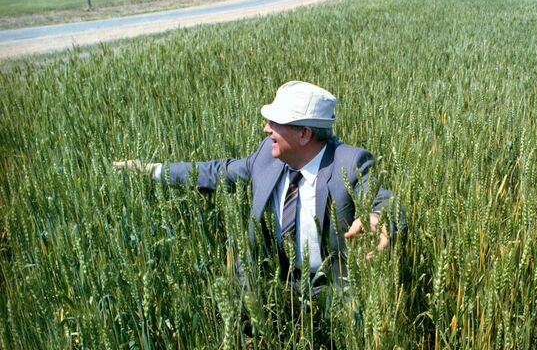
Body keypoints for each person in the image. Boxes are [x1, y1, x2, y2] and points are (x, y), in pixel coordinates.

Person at [114, 81, 404, 294]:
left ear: (304, 133)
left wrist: (379, 218)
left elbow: (382, 198)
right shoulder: (267, 154)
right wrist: (150, 170)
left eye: (275, 122)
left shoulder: (348, 162)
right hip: (269, 287)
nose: (266, 128)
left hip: (328, 291)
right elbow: (216, 172)